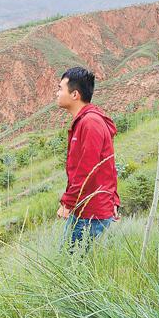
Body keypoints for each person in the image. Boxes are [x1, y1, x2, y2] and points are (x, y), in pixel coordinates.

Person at [56, 67, 120, 248]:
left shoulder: (90, 123)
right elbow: (107, 166)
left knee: (72, 268)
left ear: (75, 94)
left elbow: (87, 170)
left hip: (90, 215)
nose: (57, 93)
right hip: (87, 210)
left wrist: (67, 203)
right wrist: (114, 199)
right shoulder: (86, 121)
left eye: (60, 88)